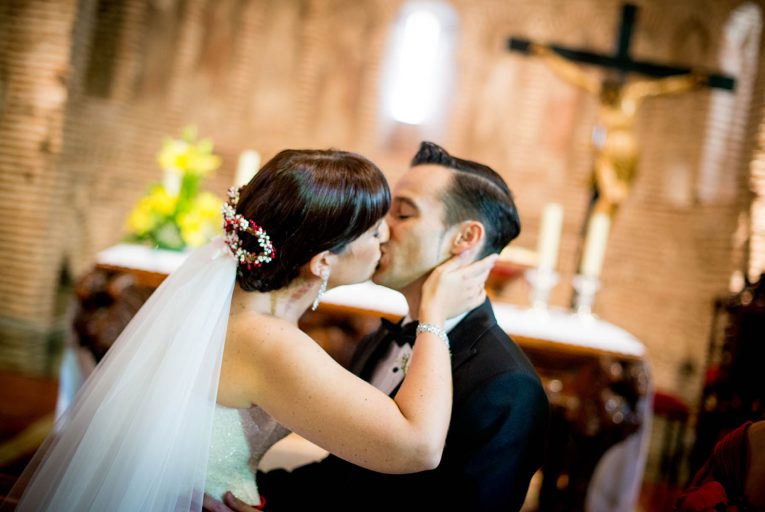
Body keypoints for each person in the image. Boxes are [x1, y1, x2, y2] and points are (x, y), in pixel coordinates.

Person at [2, 149, 496, 512]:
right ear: (323, 261)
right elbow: (417, 447)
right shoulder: (269, 343)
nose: (387, 235)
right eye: (373, 232)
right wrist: (435, 311)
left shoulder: (238, 313)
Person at [210, 141, 551, 512]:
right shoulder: (375, 342)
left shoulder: (507, 387)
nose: (382, 231)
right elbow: (342, 479)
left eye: (402, 215)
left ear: (465, 239)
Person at [530, 43, 706, 218]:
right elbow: (574, 75)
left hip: (625, 153)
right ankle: (598, 226)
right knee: (608, 195)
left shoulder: (634, 93)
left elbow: (663, 88)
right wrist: (548, 56)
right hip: (606, 153)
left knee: (616, 196)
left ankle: (602, 225)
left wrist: (688, 82)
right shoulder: (600, 90)